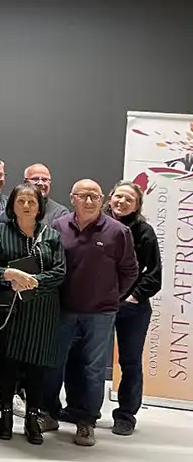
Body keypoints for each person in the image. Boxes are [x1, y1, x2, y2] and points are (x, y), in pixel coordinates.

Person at [51, 180, 138, 446]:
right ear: (72, 198)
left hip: (100, 314)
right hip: (63, 310)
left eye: (95, 196)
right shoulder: (58, 226)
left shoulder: (118, 231)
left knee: (93, 369)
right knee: (54, 364)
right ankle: (49, 414)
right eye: (83, 196)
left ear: (102, 200)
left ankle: (87, 422)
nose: (89, 201)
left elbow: (130, 271)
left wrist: (112, 295)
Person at [0, 183, 66, 444]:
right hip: (10, 310)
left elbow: (60, 271)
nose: (27, 206)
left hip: (42, 311)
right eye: (21, 201)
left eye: (32, 201)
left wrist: (34, 281)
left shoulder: (52, 236)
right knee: (7, 365)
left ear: (40, 207)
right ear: (12, 206)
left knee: (36, 368)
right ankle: (6, 415)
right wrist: (9, 274)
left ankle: (32, 418)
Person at [106, 181, 161, 437]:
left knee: (129, 361)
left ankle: (126, 415)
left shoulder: (145, 232)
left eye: (130, 199)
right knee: (83, 357)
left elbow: (154, 274)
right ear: (110, 198)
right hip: (96, 304)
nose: (122, 202)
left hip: (132, 308)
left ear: (137, 205)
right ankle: (78, 408)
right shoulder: (97, 225)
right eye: (119, 196)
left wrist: (133, 297)